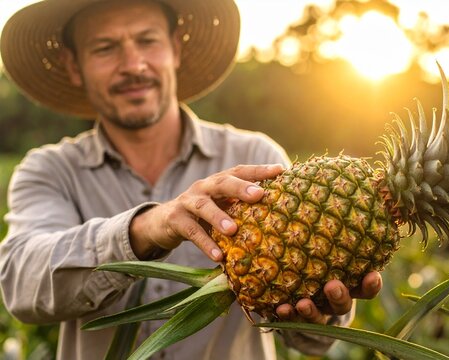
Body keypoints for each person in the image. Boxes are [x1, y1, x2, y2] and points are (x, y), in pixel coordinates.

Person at [0, 0, 383, 359]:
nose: (134, 64)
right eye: (105, 48)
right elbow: (21, 283)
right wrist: (149, 228)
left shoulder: (256, 159)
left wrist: (322, 314)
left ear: (175, 50)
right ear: (73, 65)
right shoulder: (48, 170)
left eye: (147, 41)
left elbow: (314, 339)